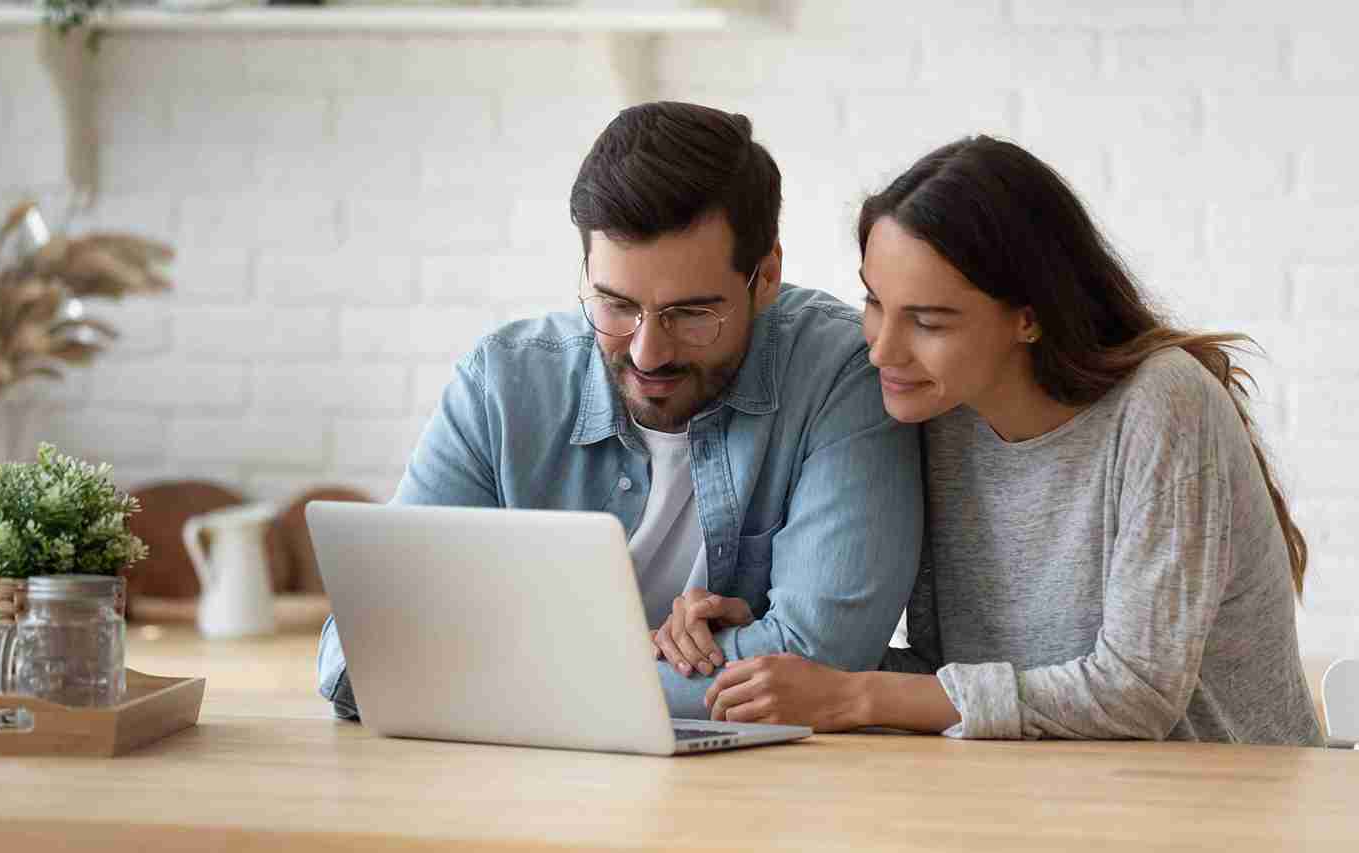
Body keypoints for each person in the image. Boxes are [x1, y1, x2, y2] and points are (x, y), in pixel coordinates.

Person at [703, 136, 1323, 745]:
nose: (882, 348)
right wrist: (770, 653)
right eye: (874, 301)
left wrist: (854, 695)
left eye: (928, 320)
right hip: (1047, 799)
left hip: (1224, 808)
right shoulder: (940, 413)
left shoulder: (1162, 404)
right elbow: (965, 688)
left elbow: (1135, 694)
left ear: (1029, 316)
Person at [316, 102, 923, 721]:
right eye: (615, 304)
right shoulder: (502, 385)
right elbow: (359, 657)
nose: (647, 352)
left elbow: (823, 659)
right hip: (522, 785)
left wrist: (499, 670)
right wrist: (640, 658)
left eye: (690, 314)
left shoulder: (840, 375)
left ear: (765, 277)